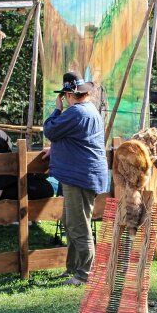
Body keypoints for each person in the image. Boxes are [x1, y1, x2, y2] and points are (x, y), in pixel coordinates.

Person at [43, 71, 108, 285]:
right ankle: (73, 268)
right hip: (83, 174)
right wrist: (56, 149)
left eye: (64, 95)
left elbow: (50, 130)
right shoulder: (89, 110)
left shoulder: (75, 113)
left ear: (69, 95)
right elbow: (77, 140)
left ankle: (85, 274)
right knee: (73, 223)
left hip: (80, 176)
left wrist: (56, 109)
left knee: (79, 225)